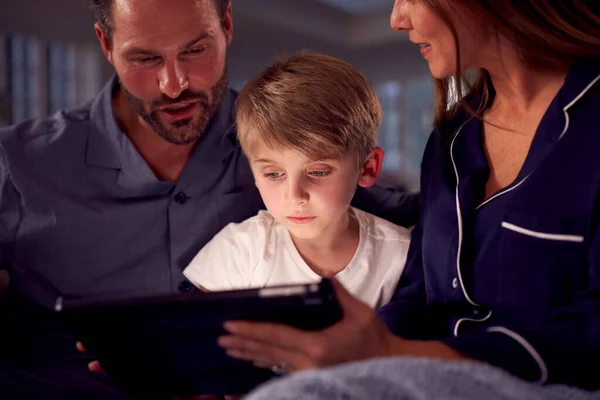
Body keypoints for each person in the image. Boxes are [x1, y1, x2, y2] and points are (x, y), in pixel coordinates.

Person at [0, 0, 419, 399]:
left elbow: (412, 215)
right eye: (145, 59)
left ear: (227, 25)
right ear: (106, 45)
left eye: (195, 50)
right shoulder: (19, 165)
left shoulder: (277, 136)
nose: (175, 84)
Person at [216, 0, 600, 397]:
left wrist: (390, 352)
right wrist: (356, 346)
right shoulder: (451, 137)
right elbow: (421, 294)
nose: (397, 19)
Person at [183, 52, 410, 309]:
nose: (294, 196)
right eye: (273, 174)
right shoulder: (240, 249)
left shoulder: (400, 254)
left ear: (367, 168)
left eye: (318, 172)